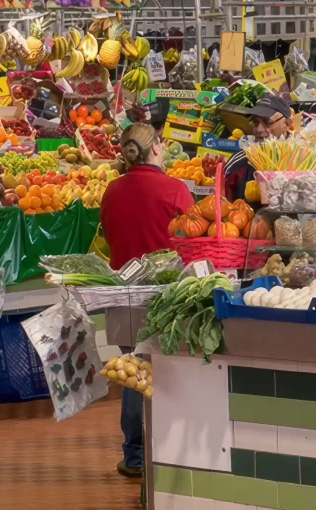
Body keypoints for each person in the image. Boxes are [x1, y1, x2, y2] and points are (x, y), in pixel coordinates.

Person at [99, 123, 193, 479]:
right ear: (157, 147)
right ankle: (168, 450)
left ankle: (135, 455)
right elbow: (189, 237)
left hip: (121, 294)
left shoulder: (112, 189)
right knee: (167, 371)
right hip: (165, 296)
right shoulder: (175, 189)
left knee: (132, 370)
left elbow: (107, 234)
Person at [223, 93, 294, 202]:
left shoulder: (303, 161)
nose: (259, 129)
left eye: (267, 122)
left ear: (287, 124)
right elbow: (223, 205)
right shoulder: (239, 163)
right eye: (255, 122)